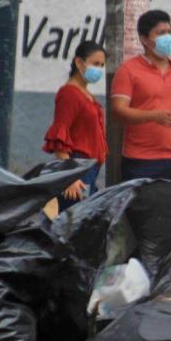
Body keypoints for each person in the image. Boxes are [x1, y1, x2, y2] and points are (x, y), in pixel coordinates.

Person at [110, 9, 171, 186]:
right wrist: (152, 116)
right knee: (141, 212)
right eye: (161, 33)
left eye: (169, 32)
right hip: (140, 161)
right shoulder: (128, 70)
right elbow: (118, 111)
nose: (167, 37)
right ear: (144, 39)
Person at [42, 40, 107, 212]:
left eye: (102, 65)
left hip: (89, 169)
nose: (99, 69)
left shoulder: (86, 94)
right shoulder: (69, 94)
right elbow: (59, 136)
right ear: (79, 62)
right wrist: (69, 177)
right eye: (95, 64)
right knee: (74, 225)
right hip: (77, 169)